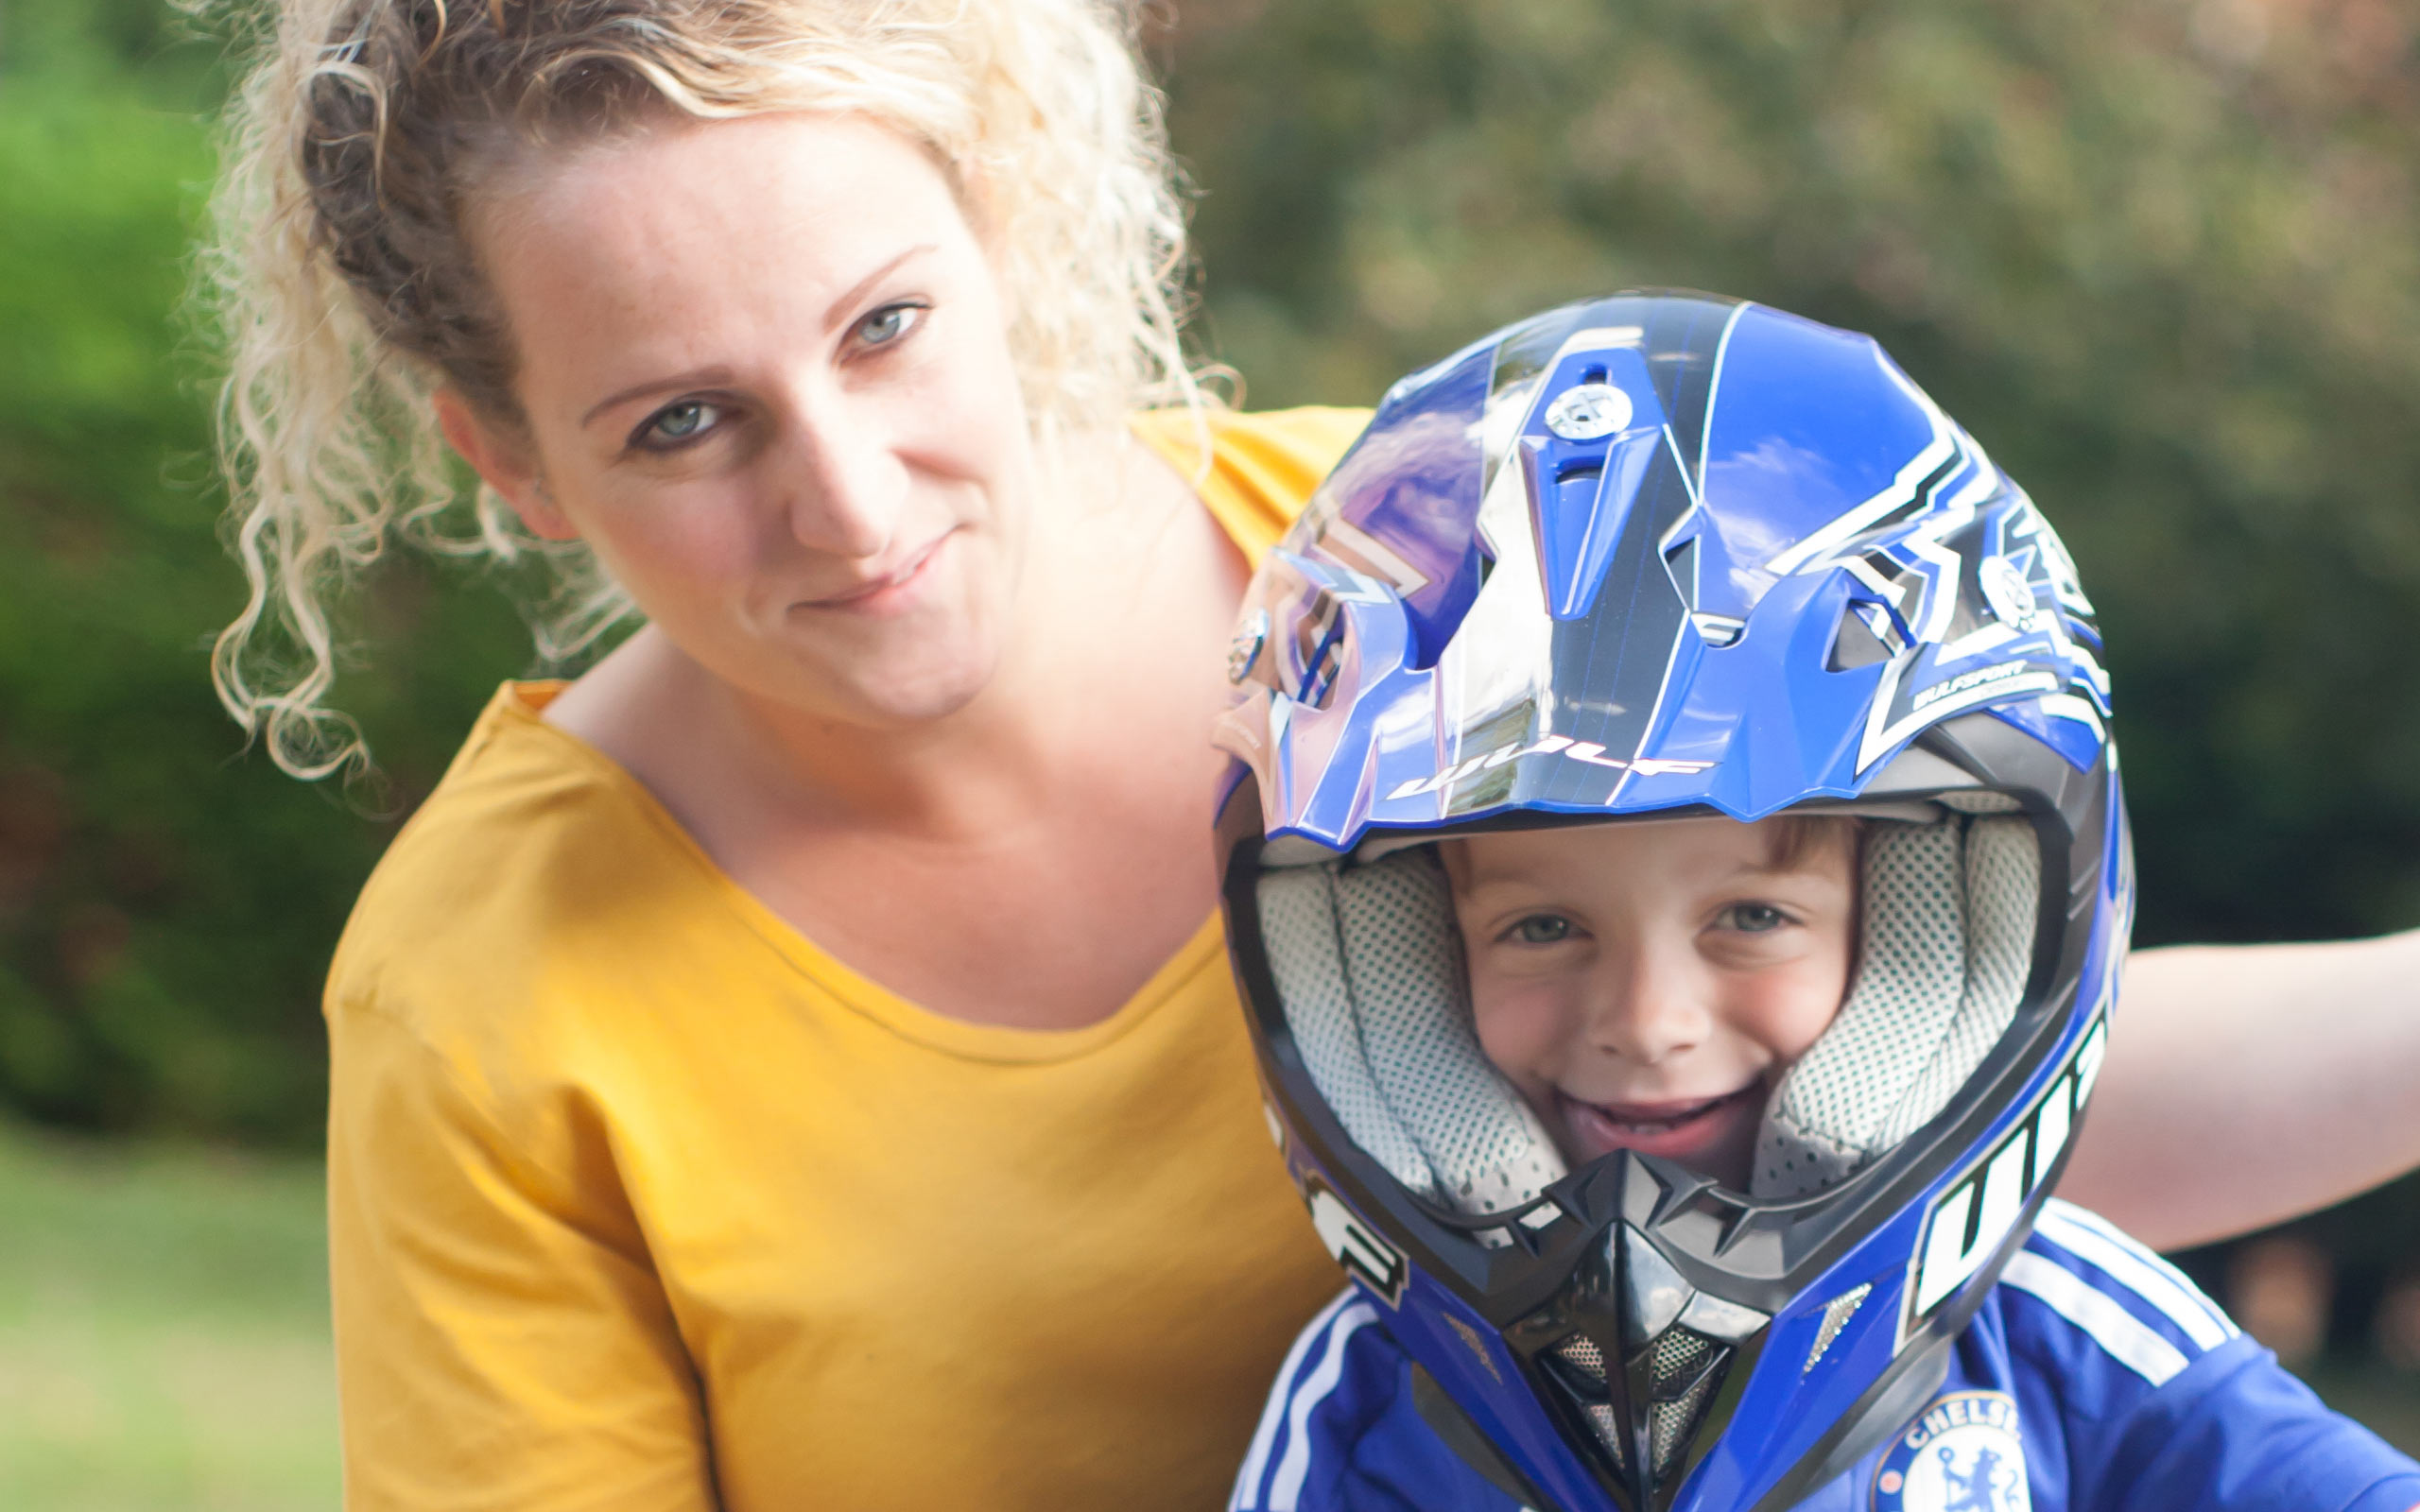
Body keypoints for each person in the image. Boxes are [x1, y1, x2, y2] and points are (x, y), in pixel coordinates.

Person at [193, 3, 2420, 1508]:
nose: (848, 501)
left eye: (884, 325)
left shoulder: (1440, 562)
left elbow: (1905, 1068)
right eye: (679, 420)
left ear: (998, 229)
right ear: (507, 460)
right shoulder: (487, 995)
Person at [1213, 292, 2420, 1511]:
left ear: (1934, 936)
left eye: (1751, 918)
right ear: (1390, 965)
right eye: (1544, 927)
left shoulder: (2062, 1330)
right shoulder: (1372, 1417)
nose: (1648, 1019)